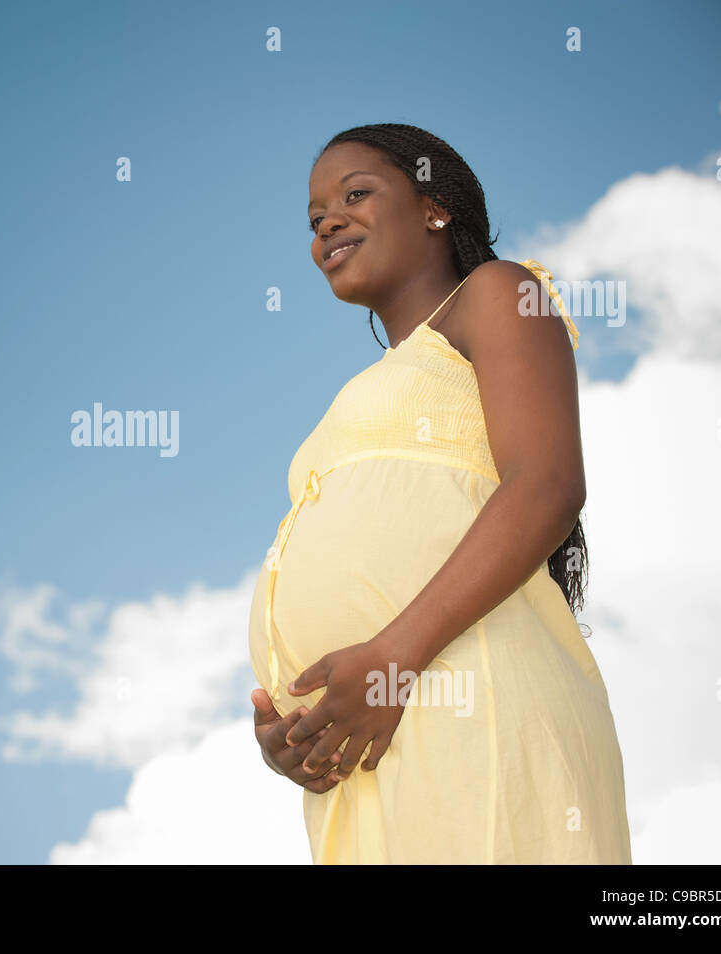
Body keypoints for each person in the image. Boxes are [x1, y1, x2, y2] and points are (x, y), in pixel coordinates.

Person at [248, 123, 632, 864]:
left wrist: (391, 658)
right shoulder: (367, 392)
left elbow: (547, 485)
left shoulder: (498, 292)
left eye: (356, 194)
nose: (327, 219)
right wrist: (298, 736)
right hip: (367, 752)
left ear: (435, 208)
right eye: (314, 216)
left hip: (468, 701)